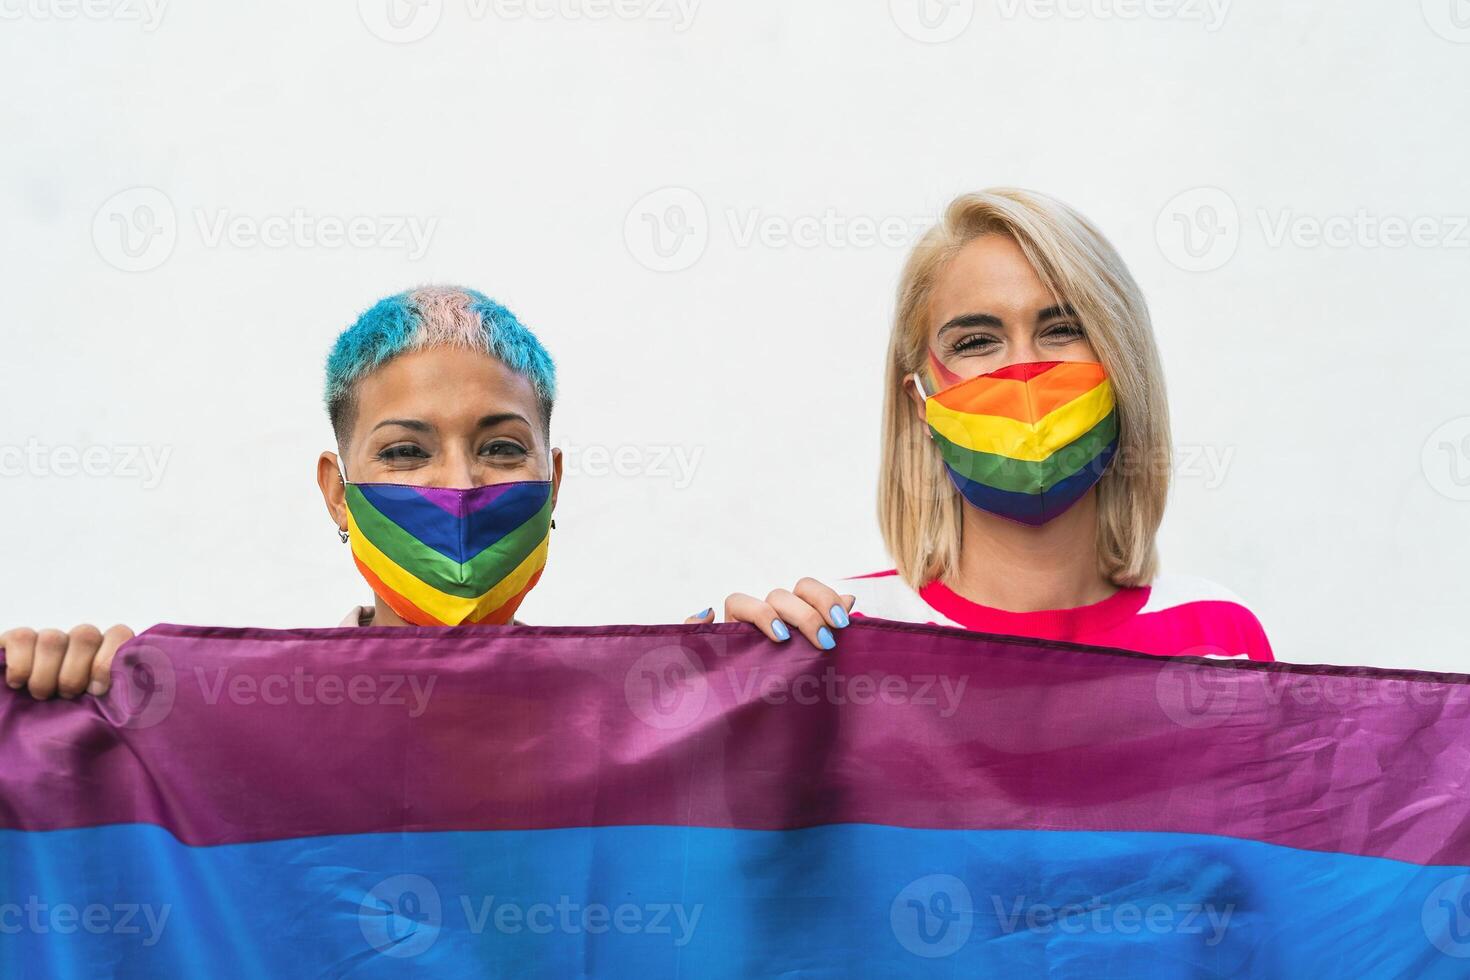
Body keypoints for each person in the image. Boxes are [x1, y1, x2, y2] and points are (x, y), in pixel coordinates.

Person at [2, 285, 850, 701]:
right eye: (406, 452)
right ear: (338, 494)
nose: (458, 484)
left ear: (552, 484)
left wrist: (778, 688)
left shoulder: (646, 707)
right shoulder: (240, 717)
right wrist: (57, 722)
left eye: (501, 447)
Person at [721, 189, 1273, 661]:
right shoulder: (842, 638)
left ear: (1122, 363)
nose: (1022, 371)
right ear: (920, 399)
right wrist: (707, 704)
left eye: (1062, 328)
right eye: (976, 342)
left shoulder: (1219, 637)